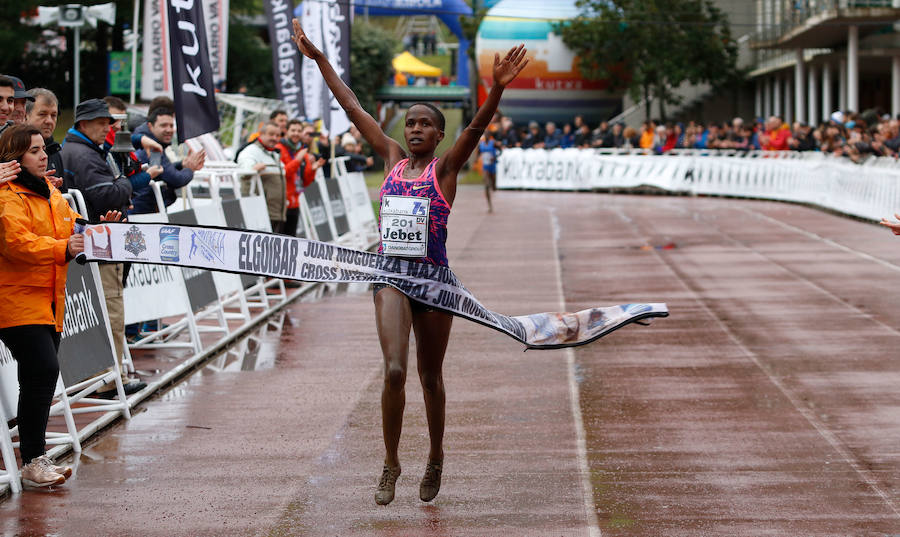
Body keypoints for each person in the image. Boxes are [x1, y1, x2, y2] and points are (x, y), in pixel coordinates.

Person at [292, 18, 528, 505]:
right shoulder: (392, 158)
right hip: (391, 277)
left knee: (430, 378)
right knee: (395, 371)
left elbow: (477, 128)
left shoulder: (446, 169)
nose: (415, 128)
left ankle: (436, 455)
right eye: (410, 123)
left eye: (425, 124)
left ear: (440, 135)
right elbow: (353, 107)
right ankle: (391, 462)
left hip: (435, 282)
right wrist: (320, 61)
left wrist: (496, 90)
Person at [0, 124, 121, 487]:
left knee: (38, 377)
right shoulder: (7, 197)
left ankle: (33, 459)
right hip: (15, 300)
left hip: (49, 301)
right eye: (34, 151)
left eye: (43, 149)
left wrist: (96, 229)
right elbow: (16, 244)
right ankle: (33, 460)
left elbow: (72, 227)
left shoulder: (51, 192)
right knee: (43, 371)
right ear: (15, 158)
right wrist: (63, 247)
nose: (44, 156)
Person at [61, 99, 147, 397]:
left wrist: (120, 184)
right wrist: (125, 182)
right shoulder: (84, 154)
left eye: (109, 123)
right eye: (101, 123)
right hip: (101, 243)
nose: (107, 128)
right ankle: (110, 380)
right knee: (111, 312)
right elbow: (108, 195)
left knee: (105, 312)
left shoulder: (82, 149)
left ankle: (105, 377)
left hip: (93, 243)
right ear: (83, 123)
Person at [132, 107, 204, 214]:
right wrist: (190, 169)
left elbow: (161, 170)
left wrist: (181, 164)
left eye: (171, 125)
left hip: (144, 210)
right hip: (143, 212)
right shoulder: (152, 148)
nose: (169, 130)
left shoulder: (150, 143)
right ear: (150, 126)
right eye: (163, 125)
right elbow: (175, 179)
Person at [276, 119, 324, 236]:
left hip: (295, 202)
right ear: (286, 131)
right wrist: (297, 160)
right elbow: (283, 174)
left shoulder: (302, 151)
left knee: (291, 238)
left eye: (298, 131)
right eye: (293, 130)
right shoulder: (279, 149)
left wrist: (313, 170)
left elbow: (305, 182)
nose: (296, 133)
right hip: (281, 203)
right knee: (278, 238)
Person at [237, 121, 287, 232]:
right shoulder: (250, 152)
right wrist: (253, 169)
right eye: (271, 134)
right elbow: (243, 173)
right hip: (259, 216)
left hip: (276, 215)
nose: (275, 138)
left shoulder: (274, 154)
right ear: (261, 134)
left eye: (277, 135)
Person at [25, 88, 63, 185]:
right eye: (42, 114)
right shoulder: (15, 148)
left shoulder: (55, 151)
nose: (49, 121)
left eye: (53, 115)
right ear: (26, 115)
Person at [477, 131, 498, 212]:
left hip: (492, 166)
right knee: (486, 185)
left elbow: (500, 151)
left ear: (490, 136)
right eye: (485, 135)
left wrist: (495, 157)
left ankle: (492, 185)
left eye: (488, 135)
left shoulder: (493, 143)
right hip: (485, 167)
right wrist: (477, 159)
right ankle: (490, 205)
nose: (486, 136)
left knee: (494, 187)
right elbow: (478, 153)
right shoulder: (481, 144)